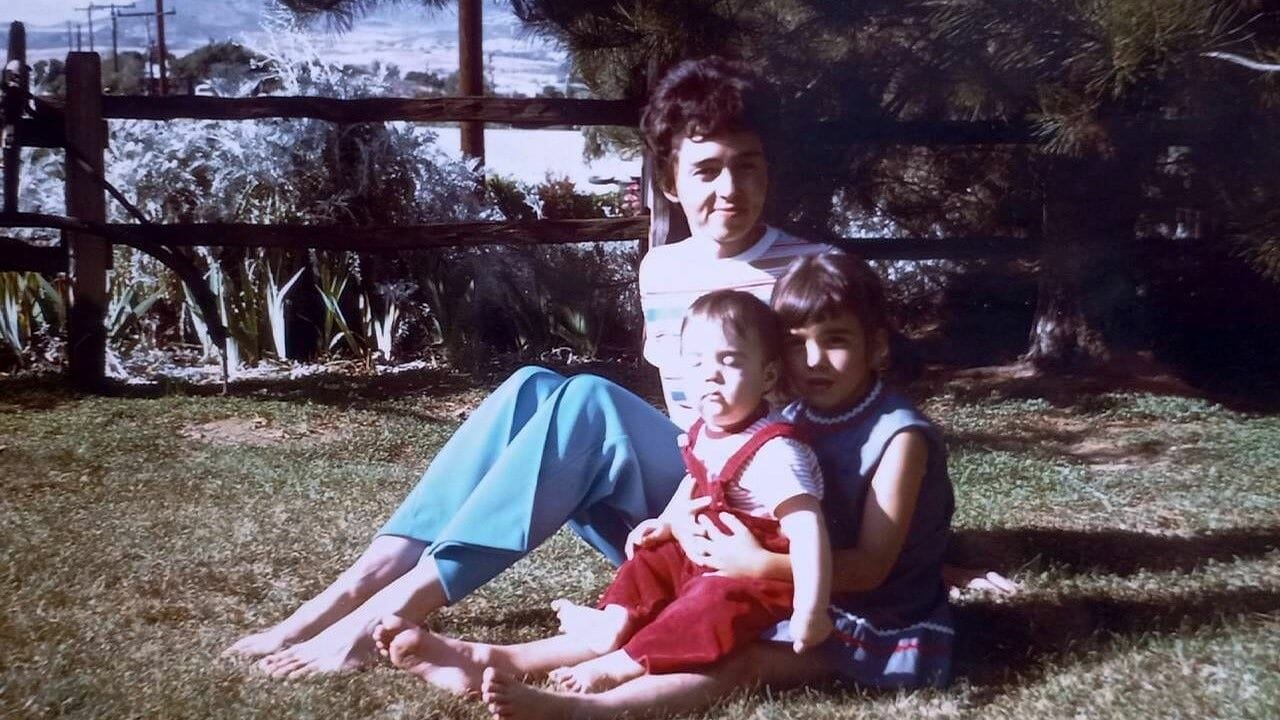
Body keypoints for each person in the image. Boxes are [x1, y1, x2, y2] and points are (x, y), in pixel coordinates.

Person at [223, 56, 1012, 680]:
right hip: (684, 508)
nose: (729, 189)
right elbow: (684, 417)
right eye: (706, 170)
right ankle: (347, 592)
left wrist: (924, 556)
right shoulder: (660, 269)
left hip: (772, 518)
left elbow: (859, 431)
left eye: (748, 166)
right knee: (534, 388)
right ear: (670, 179)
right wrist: (672, 511)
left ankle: (384, 618)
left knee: (589, 404)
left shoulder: (810, 271)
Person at [474, 250, 957, 719]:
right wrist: (676, 523)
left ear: (876, 346)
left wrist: (757, 563)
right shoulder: (791, 415)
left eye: (836, 340)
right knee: (674, 596)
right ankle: (507, 659)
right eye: (795, 342)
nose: (812, 360)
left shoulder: (897, 438)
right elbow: (713, 478)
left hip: (870, 612)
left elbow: (871, 569)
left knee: (738, 655)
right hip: (791, 582)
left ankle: (590, 709)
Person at [369, 289, 833, 693]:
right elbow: (695, 478)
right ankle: (609, 626)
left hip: (757, 577)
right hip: (707, 550)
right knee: (649, 562)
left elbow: (809, 534)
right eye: (698, 363)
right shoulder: (707, 430)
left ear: (768, 377)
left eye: (729, 362)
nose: (711, 375)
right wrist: (667, 521)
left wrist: (811, 610)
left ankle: (620, 664)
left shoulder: (777, 452)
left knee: (710, 606)